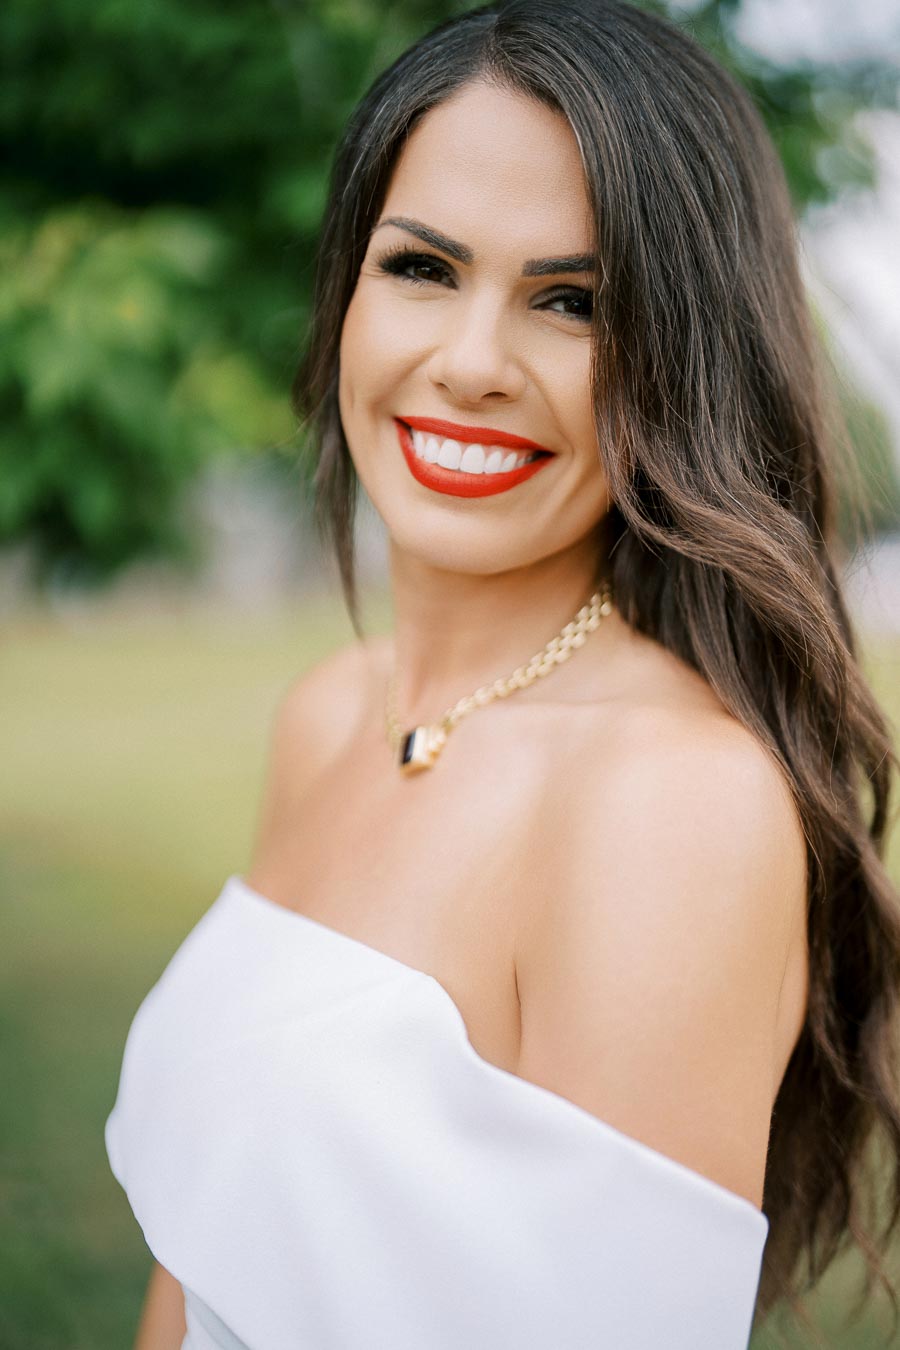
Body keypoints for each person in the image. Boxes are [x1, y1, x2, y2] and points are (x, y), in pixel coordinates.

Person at [105, 2, 900, 1347]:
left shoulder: (671, 808)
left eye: (573, 302)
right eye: (422, 268)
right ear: (349, 291)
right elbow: (202, 1246)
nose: (470, 363)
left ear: (683, 366)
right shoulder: (332, 713)